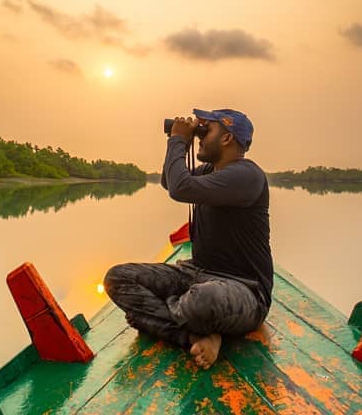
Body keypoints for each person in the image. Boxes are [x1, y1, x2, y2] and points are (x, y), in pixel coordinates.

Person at [103, 108, 272, 369]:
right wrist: (180, 141)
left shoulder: (247, 175)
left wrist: (179, 140)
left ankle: (158, 317)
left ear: (226, 138)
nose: (200, 135)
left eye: (206, 129)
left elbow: (180, 188)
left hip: (244, 289)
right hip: (197, 273)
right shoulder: (208, 171)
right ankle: (192, 334)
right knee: (117, 278)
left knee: (202, 301)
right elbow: (169, 182)